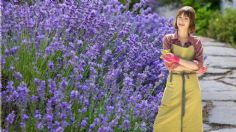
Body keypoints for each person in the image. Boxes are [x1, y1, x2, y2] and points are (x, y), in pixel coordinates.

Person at [153, 6, 207, 132]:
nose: (181, 20)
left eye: (186, 18)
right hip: (173, 83)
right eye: (179, 17)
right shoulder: (168, 39)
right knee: (163, 121)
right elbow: (169, 66)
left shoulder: (197, 42)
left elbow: (198, 65)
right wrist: (192, 68)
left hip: (192, 87)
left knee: (191, 121)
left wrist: (177, 60)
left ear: (191, 22)